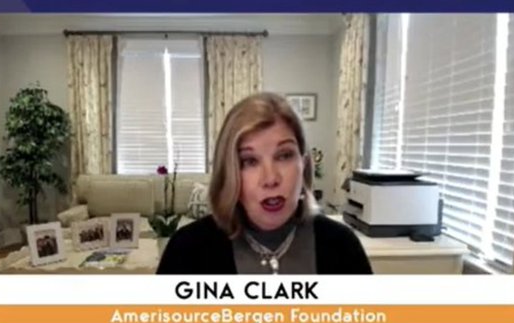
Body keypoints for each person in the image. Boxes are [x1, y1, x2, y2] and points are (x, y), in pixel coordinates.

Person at [157, 92, 372, 274]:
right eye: (250, 161)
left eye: (284, 155)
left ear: (304, 166)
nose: (270, 179)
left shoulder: (342, 245)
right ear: (230, 173)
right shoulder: (186, 250)